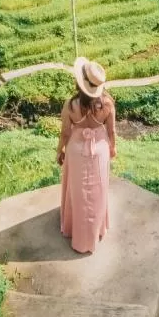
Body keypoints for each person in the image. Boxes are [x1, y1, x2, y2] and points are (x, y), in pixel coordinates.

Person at [57, 57, 116, 254]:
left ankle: (76, 231)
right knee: (98, 190)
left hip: (75, 150)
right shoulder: (108, 103)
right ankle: (96, 230)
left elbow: (65, 132)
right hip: (100, 150)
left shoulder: (71, 104)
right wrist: (113, 148)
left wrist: (60, 150)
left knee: (77, 191)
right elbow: (111, 132)